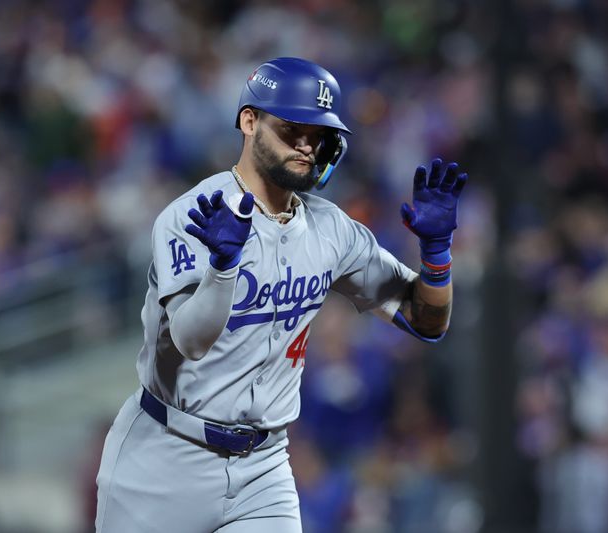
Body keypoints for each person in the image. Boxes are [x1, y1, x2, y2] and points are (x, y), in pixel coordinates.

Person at [94, 57, 467, 533]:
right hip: (164, 456)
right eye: (292, 129)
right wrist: (223, 270)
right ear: (249, 121)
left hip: (263, 467)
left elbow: (426, 321)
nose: (307, 145)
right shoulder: (194, 214)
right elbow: (190, 341)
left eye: (318, 134)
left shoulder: (332, 230)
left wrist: (436, 255)